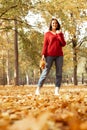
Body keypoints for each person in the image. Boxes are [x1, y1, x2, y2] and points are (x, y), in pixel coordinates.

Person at [35, 18, 66, 95]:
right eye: (53, 23)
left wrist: (59, 35)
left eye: (56, 23)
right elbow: (45, 45)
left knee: (59, 73)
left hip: (59, 55)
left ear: (58, 24)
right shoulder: (47, 34)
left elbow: (63, 44)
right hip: (49, 55)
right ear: (51, 25)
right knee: (45, 72)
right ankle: (38, 89)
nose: (54, 24)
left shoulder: (60, 33)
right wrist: (43, 55)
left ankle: (56, 90)